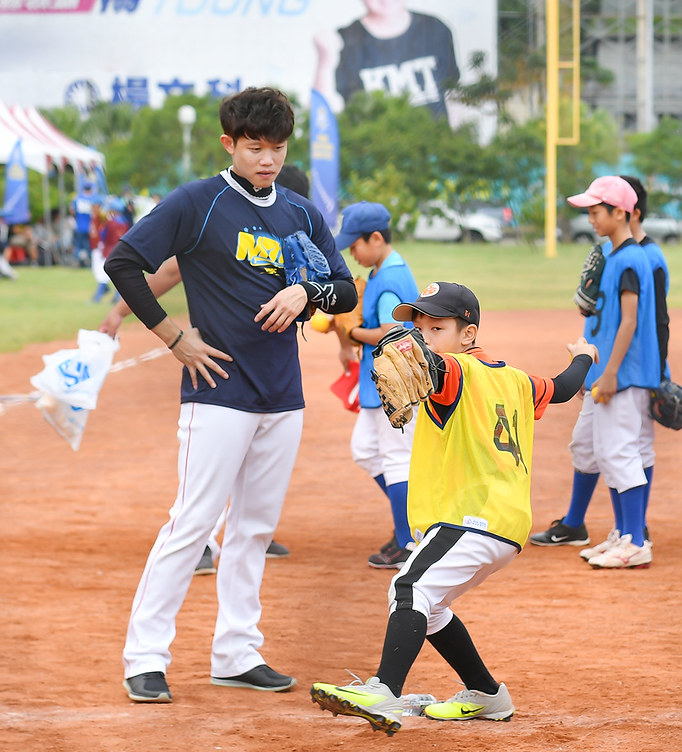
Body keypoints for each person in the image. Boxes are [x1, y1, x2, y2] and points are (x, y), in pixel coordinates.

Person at [104, 86, 358, 704]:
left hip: (282, 394)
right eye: (254, 147)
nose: (267, 158)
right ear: (230, 144)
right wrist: (172, 336)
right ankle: (145, 657)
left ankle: (236, 652)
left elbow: (345, 290)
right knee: (192, 523)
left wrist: (307, 294)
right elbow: (124, 262)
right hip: (216, 391)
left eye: (276, 147)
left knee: (253, 529)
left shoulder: (300, 211)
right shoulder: (200, 201)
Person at [310, 281, 598, 734]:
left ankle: (384, 691)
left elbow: (440, 373)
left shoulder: (453, 370)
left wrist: (422, 358)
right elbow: (562, 388)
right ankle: (486, 694)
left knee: (408, 588)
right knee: (434, 607)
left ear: (469, 334)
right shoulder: (515, 378)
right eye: (419, 328)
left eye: (437, 327)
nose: (424, 338)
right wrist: (584, 354)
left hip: (473, 517)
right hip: (504, 522)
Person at [99, 163, 315, 574]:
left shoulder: (291, 223)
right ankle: (200, 543)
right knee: (207, 479)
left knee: (247, 485)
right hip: (218, 376)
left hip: (273, 383)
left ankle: (239, 536)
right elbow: (165, 269)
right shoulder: (216, 212)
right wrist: (122, 313)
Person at [529, 176, 670, 563]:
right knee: (601, 450)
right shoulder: (616, 255)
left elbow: (629, 322)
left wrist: (608, 373)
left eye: (596, 211)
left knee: (619, 453)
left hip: (622, 376)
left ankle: (635, 543)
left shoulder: (629, 259)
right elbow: (606, 322)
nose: (590, 218)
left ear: (621, 212)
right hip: (610, 372)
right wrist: (589, 365)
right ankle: (624, 533)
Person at [332, 201, 421, 568]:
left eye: (356, 245)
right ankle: (411, 521)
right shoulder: (382, 271)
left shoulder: (389, 279)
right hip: (382, 381)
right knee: (365, 450)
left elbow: (393, 331)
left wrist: (351, 331)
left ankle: (410, 540)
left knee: (397, 459)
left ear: (377, 238)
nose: (352, 252)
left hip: (396, 381)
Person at [313, 0, 460, 121]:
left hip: (439, 148)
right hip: (375, 151)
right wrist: (325, 64)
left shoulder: (435, 29)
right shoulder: (344, 42)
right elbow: (323, 116)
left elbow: (453, 96)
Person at [72, 182, 97, 267]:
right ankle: (88, 262)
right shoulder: (93, 200)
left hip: (79, 226)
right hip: (89, 227)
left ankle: (75, 261)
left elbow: (72, 210)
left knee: (78, 245)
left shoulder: (77, 199)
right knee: (88, 246)